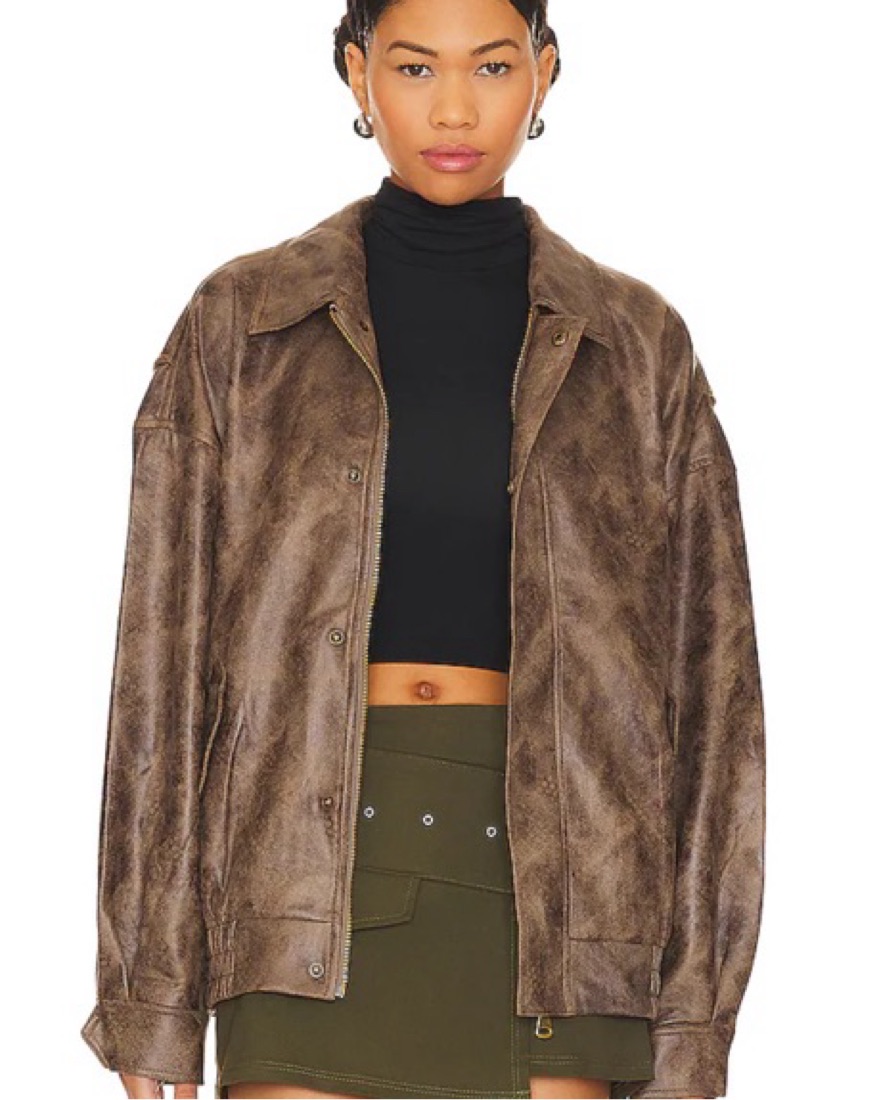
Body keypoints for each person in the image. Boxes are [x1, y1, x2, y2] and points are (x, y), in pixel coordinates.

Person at [80, 1, 765, 1098]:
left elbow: (715, 700)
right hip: (298, 895)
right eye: (413, 68)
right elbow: (160, 671)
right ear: (358, 75)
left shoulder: (638, 348)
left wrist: (694, 1024)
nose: (453, 109)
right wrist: (148, 989)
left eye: (491, 66)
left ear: (543, 72)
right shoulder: (242, 323)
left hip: (565, 911)